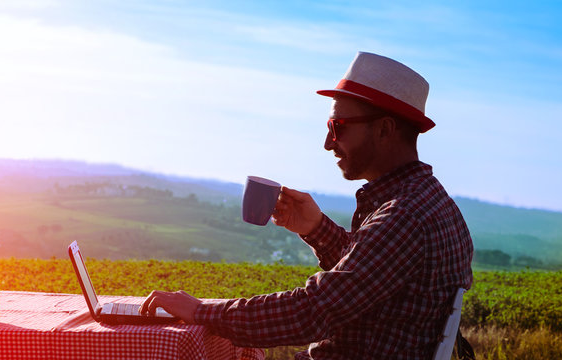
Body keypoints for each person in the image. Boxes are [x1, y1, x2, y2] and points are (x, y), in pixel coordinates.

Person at [140, 51, 474, 359]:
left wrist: (201, 312)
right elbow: (369, 279)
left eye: (337, 127)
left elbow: (312, 311)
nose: (328, 143)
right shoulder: (430, 203)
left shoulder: (404, 216)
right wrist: (316, 229)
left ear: (385, 129)